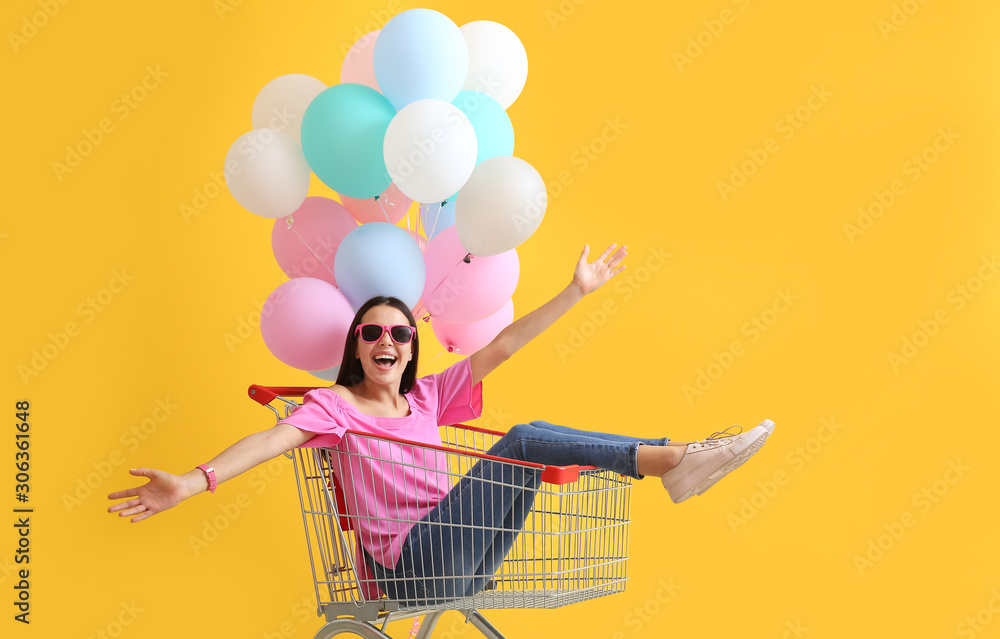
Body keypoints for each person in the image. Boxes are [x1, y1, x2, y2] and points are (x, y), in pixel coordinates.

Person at [108, 243, 774, 603]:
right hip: (410, 567)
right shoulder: (335, 408)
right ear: (357, 346)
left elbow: (504, 345)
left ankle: (675, 461)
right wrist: (191, 483)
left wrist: (575, 292)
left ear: (410, 344)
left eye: (399, 330)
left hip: (463, 557)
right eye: (372, 331)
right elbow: (267, 440)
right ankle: (672, 459)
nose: (386, 339)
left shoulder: (428, 397)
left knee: (525, 454)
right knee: (526, 437)